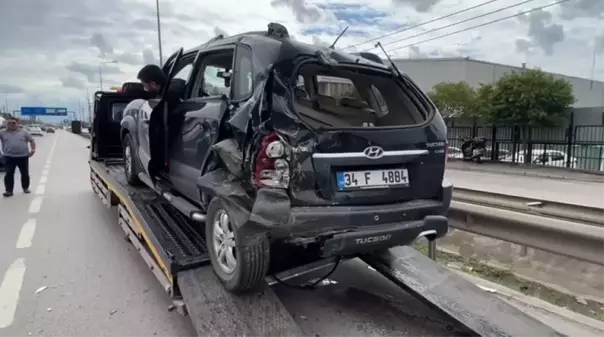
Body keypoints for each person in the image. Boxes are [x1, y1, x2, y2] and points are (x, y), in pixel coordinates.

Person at [0, 117, 36, 197]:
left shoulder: (24, 133)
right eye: (9, 123)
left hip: (22, 156)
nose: (11, 125)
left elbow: (32, 141)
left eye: (13, 123)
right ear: (6, 124)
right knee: (9, 174)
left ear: (18, 124)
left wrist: (33, 151)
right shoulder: (2, 133)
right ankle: (9, 191)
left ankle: (25, 188)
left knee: (24, 173)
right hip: (8, 156)